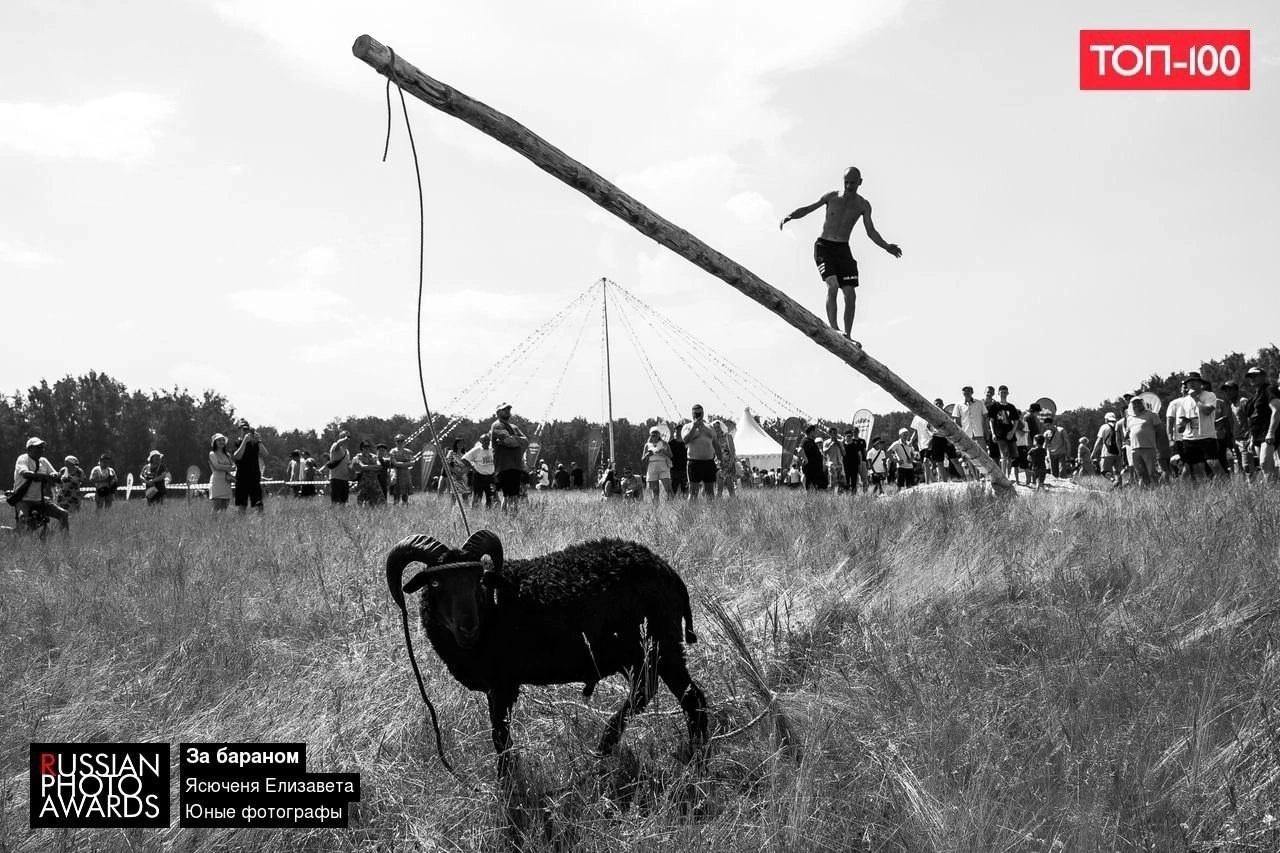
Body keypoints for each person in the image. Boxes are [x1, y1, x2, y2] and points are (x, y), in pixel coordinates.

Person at [779, 166, 902, 344]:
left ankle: (848, 336)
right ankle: (834, 328)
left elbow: (871, 231)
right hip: (824, 247)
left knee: (850, 294)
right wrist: (790, 216)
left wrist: (886, 246)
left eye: (853, 183)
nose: (849, 186)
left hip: (843, 249)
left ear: (860, 182)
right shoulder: (832, 197)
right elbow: (809, 208)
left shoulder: (863, 205)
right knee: (833, 285)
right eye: (846, 183)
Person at [1167, 372, 1221, 480]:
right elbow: (1180, 427)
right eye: (1188, 382)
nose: (1191, 384)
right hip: (1189, 438)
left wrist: (1196, 399)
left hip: (1207, 436)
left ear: (1200, 383)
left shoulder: (1209, 395)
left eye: (1194, 382)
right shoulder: (1184, 401)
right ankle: (1202, 490)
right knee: (1195, 468)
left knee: (1214, 464)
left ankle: (1227, 487)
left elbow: (1207, 411)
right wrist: (1183, 424)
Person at [11, 437, 70, 530]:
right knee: (24, 524)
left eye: (42, 447)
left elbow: (53, 473)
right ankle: (5, 532)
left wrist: (56, 476)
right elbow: (26, 474)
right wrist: (45, 477)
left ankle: (65, 542)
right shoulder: (23, 459)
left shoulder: (43, 461)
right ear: (29, 449)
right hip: (23, 500)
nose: (41, 450)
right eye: (38, 447)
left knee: (63, 514)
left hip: (39, 500)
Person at [490, 403, 530, 511]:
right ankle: (507, 517)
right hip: (504, 465)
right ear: (498, 412)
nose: (507, 411)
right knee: (507, 495)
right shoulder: (497, 425)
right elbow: (508, 441)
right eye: (504, 410)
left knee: (515, 494)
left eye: (508, 409)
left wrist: (513, 439)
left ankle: (513, 516)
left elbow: (526, 441)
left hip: (516, 465)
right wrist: (516, 440)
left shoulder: (514, 427)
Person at [1245, 366, 1280, 476]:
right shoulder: (1253, 398)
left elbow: (1277, 410)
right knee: (1267, 467)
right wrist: (1251, 438)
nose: (1252, 378)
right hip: (1256, 435)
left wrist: (1271, 432)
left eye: (1255, 376)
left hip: (1267, 432)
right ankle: (1272, 490)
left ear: (1263, 376)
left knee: (1264, 463)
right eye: (1250, 376)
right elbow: (1251, 419)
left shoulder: (1269, 390)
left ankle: (1269, 489)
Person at [683, 404, 721, 501]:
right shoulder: (687, 427)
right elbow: (686, 440)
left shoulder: (710, 427)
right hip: (694, 462)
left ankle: (711, 514)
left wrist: (720, 459)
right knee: (693, 492)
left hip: (709, 462)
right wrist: (694, 427)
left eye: (700, 413)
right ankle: (690, 514)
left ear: (703, 413)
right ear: (692, 414)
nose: (698, 415)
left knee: (710, 492)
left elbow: (716, 444)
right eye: (696, 413)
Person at [1124, 398, 1162, 486]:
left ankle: (1158, 489)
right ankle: (1145, 491)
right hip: (1134, 449)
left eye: (1138, 403)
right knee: (1140, 473)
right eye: (1134, 404)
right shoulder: (1130, 418)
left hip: (1148, 447)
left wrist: (1159, 446)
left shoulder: (1152, 415)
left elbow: (1159, 430)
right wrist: (1126, 439)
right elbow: (1128, 433)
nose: (1136, 405)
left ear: (1142, 404)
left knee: (1152, 472)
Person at [986, 385, 1020, 481]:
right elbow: (991, 421)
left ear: (1008, 393)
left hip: (1010, 433)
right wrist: (993, 433)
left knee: (1012, 456)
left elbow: (1016, 421)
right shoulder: (994, 406)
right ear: (998, 393)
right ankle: (1003, 476)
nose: (1003, 394)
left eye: (1005, 392)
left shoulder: (1011, 407)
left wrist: (1012, 432)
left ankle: (1009, 475)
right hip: (999, 433)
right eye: (1002, 392)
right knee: (1003, 455)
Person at [957, 386, 991, 477]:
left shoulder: (979, 403)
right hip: (966, 434)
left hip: (979, 432)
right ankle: (975, 477)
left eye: (968, 392)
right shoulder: (959, 405)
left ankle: (985, 475)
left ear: (972, 392)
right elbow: (957, 420)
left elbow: (985, 418)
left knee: (982, 455)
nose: (966, 394)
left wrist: (987, 431)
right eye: (964, 392)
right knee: (969, 457)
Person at [231, 419, 264, 512]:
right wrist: (244, 441)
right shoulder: (237, 443)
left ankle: (261, 522)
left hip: (254, 476)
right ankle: (241, 523)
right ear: (239, 430)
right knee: (242, 503)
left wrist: (259, 441)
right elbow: (237, 456)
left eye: (247, 429)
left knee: (258, 502)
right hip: (242, 477)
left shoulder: (254, 443)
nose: (245, 431)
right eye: (243, 428)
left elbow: (265, 453)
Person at [461, 433, 496, 508]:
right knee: (477, 496)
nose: (487, 442)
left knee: (490, 496)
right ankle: (475, 513)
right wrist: (472, 467)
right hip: (479, 476)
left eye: (488, 440)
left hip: (490, 477)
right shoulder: (477, 450)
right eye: (485, 441)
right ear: (481, 441)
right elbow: (464, 459)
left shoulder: (492, 449)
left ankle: (489, 513)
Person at [640, 427, 674, 501]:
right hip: (652, 466)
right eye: (653, 434)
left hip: (663, 466)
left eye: (656, 434)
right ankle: (655, 509)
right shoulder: (647, 445)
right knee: (655, 491)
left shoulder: (664, 443)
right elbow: (643, 459)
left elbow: (671, 455)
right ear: (650, 435)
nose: (654, 436)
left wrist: (663, 451)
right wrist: (647, 455)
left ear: (659, 435)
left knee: (668, 489)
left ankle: (671, 506)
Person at [1091, 413, 1122, 482]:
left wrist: (1093, 453)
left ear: (1106, 419)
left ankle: (1113, 480)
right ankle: (1119, 487)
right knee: (1117, 472)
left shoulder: (1104, 427)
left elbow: (1098, 441)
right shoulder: (1119, 425)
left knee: (1104, 471)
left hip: (1107, 453)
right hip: (1119, 453)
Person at [351, 440, 384, 505]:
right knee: (361, 498)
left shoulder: (374, 456)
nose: (367, 449)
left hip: (374, 481)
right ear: (361, 448)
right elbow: (362, 466)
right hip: (363, 480)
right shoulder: (358, 456)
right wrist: (374, 467)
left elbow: (379, 465)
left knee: (379, 499)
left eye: (368, 447)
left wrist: (367, 467)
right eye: (365, 447)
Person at [208, 433, 235, 512]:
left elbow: (234, 466)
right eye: (219, 440)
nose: (221, 442)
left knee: (224, 507)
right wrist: (229, 468)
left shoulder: (228, 455)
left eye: (223, 440)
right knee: (216, 506)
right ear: (215, 442)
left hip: (226, 482)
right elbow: (217, 466)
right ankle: (213, 523)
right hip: (217, 482)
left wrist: (230, 469)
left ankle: (221, 523)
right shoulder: (212, 453)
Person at [327, 430, 352, 504]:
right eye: (344, 436)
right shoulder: (335, 446)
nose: (347, 438)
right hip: (336, 478)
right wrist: (345, 438)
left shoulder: (347, 451)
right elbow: (339, 443)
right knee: (335, 501)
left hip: (345, 478)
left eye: (348, 437)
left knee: (344, 501)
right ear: (340, 437)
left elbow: (348, 464)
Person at [389, 435, 415, 504]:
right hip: (396, 473)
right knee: (396, 492)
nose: (400, 442)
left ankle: (405, 504)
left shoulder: (408, 451)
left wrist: (401, 463)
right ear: (395, 442)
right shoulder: (393, 451)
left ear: (404, 442)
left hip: (406, 473)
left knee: (405, 492)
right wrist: (406, 463)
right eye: (398, 441)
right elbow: (394, 463)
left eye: (402, 441)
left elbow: (412, 463)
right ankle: (396, 505)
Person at [714, 421, 738, 497]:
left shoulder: (727, 437)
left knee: (730, 487)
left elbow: (733, 451)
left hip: (728, 464)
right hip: (718, 465)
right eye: (714, 427)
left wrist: (731, 463)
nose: (716, 429)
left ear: (721, 427)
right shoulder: (714, 439)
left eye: (718, 427)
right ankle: (718, 505)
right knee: (719, 487)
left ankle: (734, 503)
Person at [799, 424, 824, 491]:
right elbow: (800, 450)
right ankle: (809, 500)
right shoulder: (805, 440)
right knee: (809, 486)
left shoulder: (811, 441)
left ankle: (812, 499)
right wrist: (806, 459)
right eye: (815, 431)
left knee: (814, 487)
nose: (815, 433)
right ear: (811, 432)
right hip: (810, 468)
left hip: (815, 468)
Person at [822, 425, 845, 490]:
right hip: (831, 464)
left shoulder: (840, 442)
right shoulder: (826, 442)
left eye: (836, 433)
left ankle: (840, 496)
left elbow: (844, 453)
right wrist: (831, 445)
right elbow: (824, 452)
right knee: (832, 481)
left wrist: (839, 445)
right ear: (830, 433)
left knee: (841, 482)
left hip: (840, 464)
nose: (835, 434)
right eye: (833, 433)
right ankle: (831, 496)